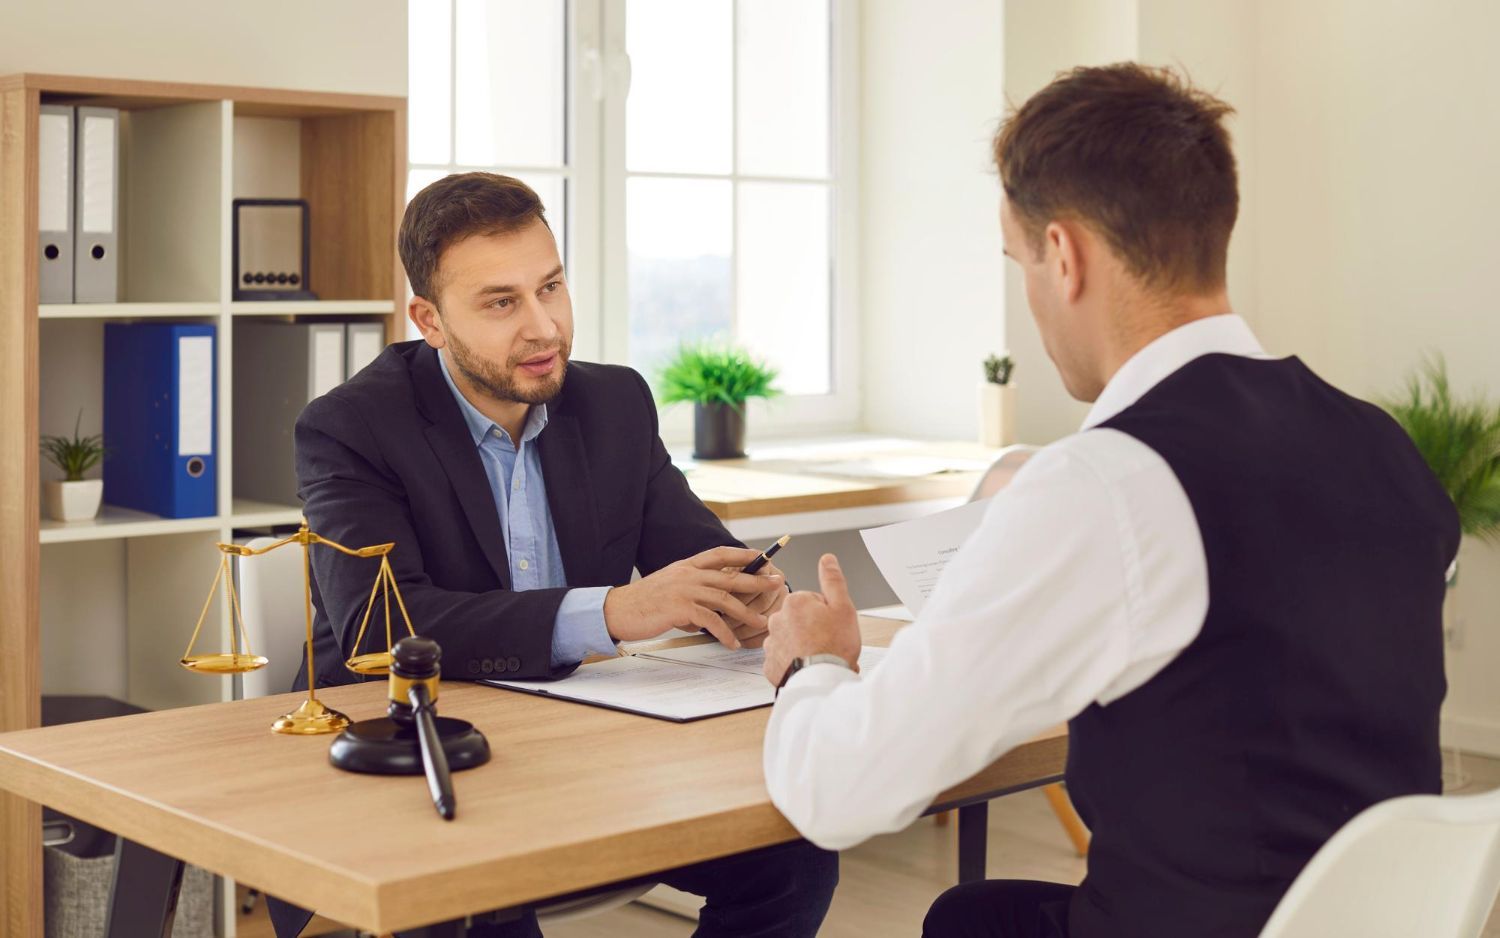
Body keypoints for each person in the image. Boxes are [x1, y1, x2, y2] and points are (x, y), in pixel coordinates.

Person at [759, 63, 1459, 938]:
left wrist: (813, 665)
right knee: (980, 915)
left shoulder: (1110, 481)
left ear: (1064, 255)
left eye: (1020, 263)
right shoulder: (1379, 445)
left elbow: (839, 793)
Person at [274, 173, 837, 938]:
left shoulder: (613, 404)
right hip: (415, 752)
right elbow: (383, 631)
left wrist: (749, 595)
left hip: (579, 743)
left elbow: (699, 555)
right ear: (429, 321)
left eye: (552, 287)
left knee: (795, 852)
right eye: (502, 302)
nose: (544, 327)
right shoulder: (351, 428)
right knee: (486, 911)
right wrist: (613, 612)